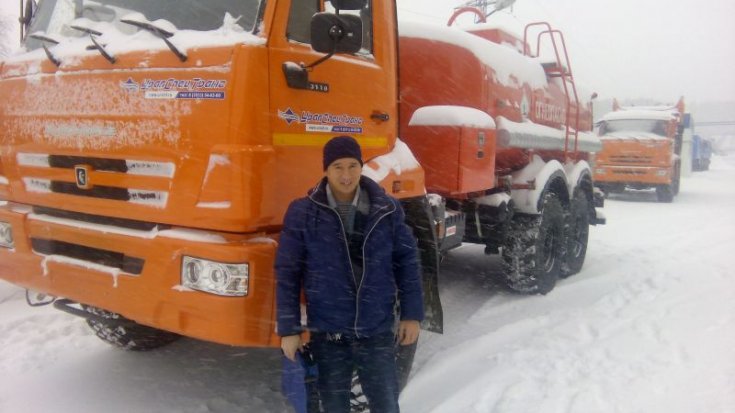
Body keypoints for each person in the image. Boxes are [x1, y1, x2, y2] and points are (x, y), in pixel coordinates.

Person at [276, 135, 424, 413]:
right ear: (326, 170)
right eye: (338, 167)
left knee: (386, 405)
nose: (346, 175)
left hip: (376, 331)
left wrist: (412, 314)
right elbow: (287, 274)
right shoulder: (303, 212)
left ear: (361, 167)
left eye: (353, 166)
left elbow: (407, 262)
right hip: (329, 334)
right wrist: (289, 329)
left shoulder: (386, 209)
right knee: (334, 407)